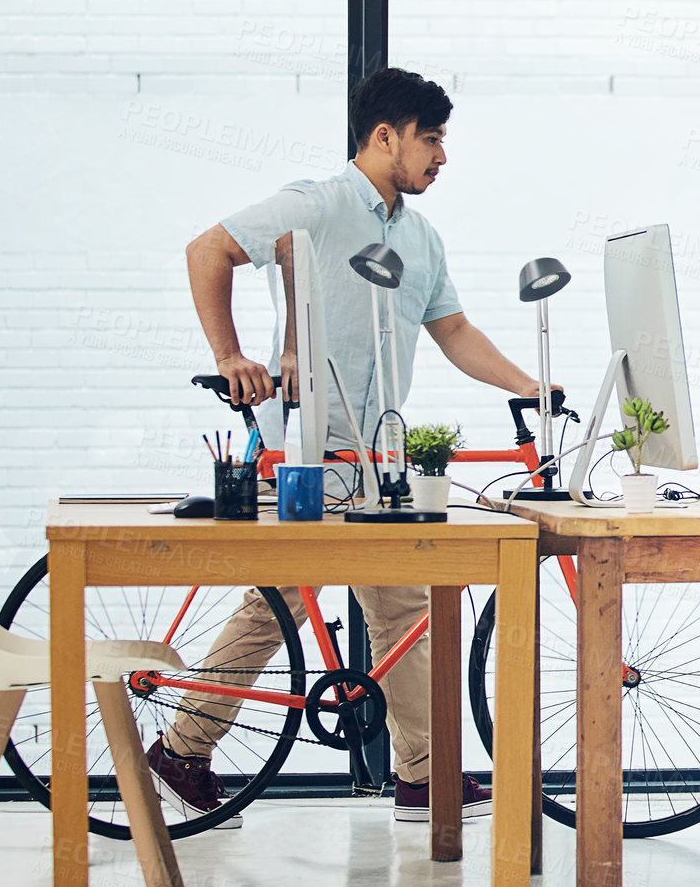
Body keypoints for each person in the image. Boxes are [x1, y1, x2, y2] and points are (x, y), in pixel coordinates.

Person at [149, 67, 545, 825]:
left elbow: (453, 331)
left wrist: (531, 388)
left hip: (373, 460)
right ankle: (182, 748)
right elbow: (208, 249)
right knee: (281, 604)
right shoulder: (318, 204)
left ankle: (424, 777)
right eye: (431, 140)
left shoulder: (421, 237)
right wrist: (232, 355)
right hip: (306, 446)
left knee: (399, 606)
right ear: (384, 136)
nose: (442, 157)